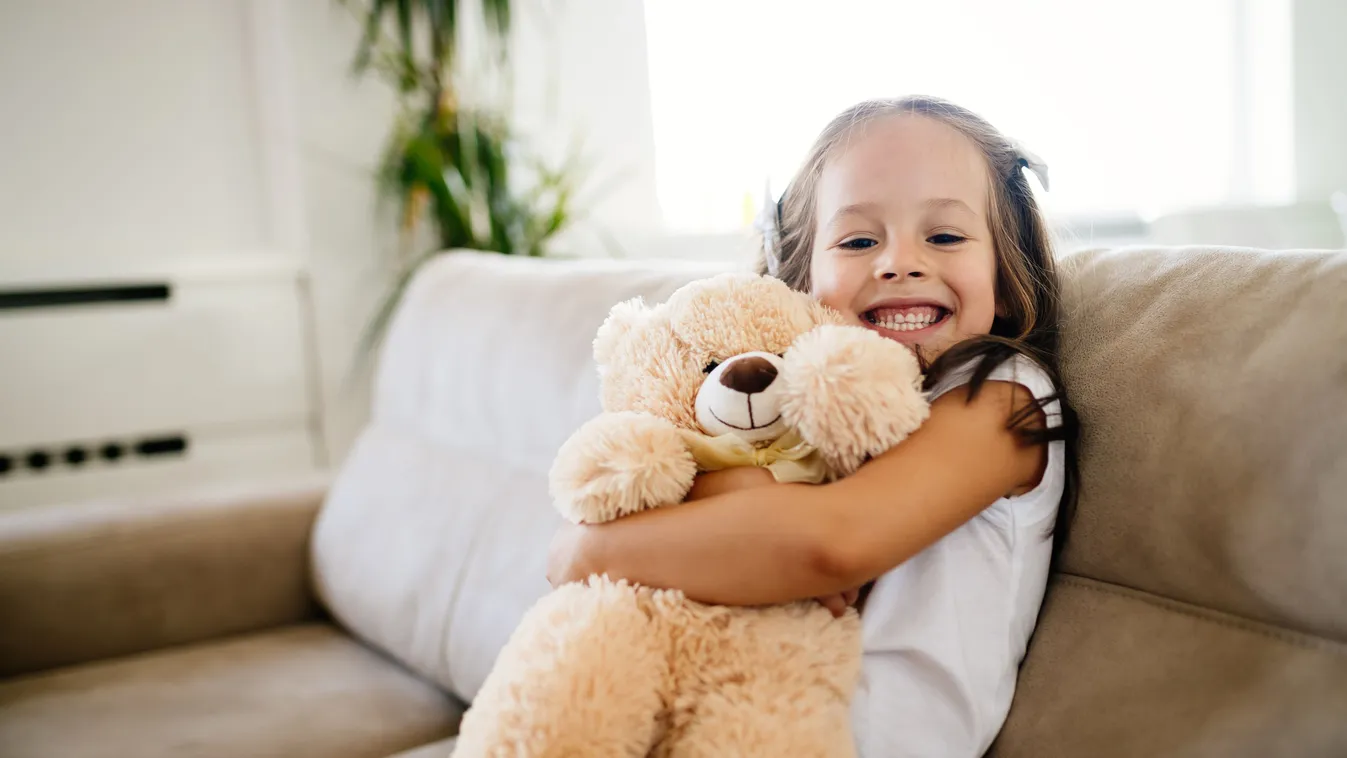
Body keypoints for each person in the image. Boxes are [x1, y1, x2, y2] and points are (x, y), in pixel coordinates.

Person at [547, 95, 1080, 757]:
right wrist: (752, 507)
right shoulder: (782, 404)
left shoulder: (1003, 399)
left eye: (943, 235)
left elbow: (835, 542)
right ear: (799, 279)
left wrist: (585, 553)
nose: (898, 263)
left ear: (1004, 268)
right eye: (858, 240)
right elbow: (689, 489)